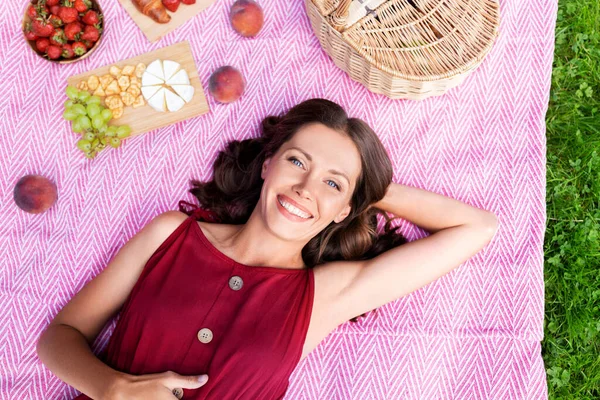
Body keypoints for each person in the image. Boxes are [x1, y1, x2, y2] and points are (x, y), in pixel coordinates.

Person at [36, 99, 498, 400]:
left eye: (330, 183)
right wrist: (112, 388)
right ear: (268, 164)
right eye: (297, 161)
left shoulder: (325, 295)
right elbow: (59, 336)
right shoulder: (171, 235)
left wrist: (365, 187)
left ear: (345, 209)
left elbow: (476, 227)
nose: (303, 188)